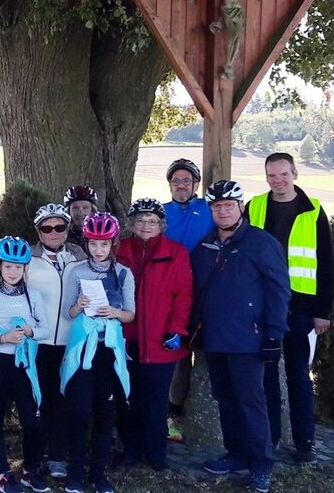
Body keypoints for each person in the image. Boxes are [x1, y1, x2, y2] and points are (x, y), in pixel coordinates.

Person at [189, 180, 289, 493]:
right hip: (215, 337)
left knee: (251, 402)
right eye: (217, 206)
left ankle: (261, 463)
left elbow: (278, 290)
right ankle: (235, 454)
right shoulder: (204, 246)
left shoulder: (261, 243)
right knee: (226, 399)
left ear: (240, 207)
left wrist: (275, 333)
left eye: (228, 205)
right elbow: (196, 292)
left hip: (250, 339)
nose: (222, 211)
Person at [246, 152, 334, 463]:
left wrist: (322, 311)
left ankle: (304, 442)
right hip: (263, 304)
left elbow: (326, 263)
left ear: (295, 173)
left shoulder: (313, 211)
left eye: (283, 174)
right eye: (271, 176)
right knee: (266, 377)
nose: (278, 181)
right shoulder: (254, 206)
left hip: (301, 307)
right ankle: (270, 438)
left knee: (298, 376)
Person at [114, 198, 193, 472]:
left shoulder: (177, 253)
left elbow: (184, 295)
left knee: (156, 399)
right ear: (131, 224)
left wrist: (177, 329)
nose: (146, 225)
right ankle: (130, 449)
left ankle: (156, 452)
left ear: (161, 225)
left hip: (160, 339)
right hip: (125, 337)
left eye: (152, 221)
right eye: (140, 220)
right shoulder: (120, 250)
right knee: (128, 397)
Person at [60, 212, 135, 493]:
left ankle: (99, 474)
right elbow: (67, 313)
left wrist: (115, 312)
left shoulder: (124, 273)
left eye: (104, 244)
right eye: (93, 244)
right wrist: (79, 305)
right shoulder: (77, 271)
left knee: (105, 413)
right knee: (79, 411)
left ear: (113, 244)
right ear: (86, 243)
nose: (99, 250)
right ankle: (76, 472)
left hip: (109, 351)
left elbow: (130, 314)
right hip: (82, 351)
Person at [0, 236, 52, 493]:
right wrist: (4, 338)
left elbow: (46, 329)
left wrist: (30, 332)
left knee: (33, 420)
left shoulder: (34, 295)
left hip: (25, 365)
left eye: (18, 267)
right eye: (8, 266)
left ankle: (30, 470)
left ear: (25, 269)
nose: (12, 271)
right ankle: (2, 472)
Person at [27, 203, 86, 480]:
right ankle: (34, 456)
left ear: (67, 229)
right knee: (38, 401)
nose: (54, 232)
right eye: (47, 228)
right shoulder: (27, 257)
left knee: (63, 400)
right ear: (39, 231)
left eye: (60, 227)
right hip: (37, 342)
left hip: (70, 340)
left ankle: (59, 457)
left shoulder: (79, 256)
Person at [161, 158, 214, 443]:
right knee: (177, 357)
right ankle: (172, 413)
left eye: (186, 180)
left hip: (204, 292)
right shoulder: (162, 213)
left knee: (203, 354)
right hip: (170, 296)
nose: (181, 185)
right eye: (176, 180)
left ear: (195, 184)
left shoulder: (208, 209)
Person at [63, 185, 98, 249]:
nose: (80, 212)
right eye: (75, 208)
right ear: (68, 211)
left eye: (85, 208)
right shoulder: (62, 237)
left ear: (92, 210)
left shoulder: (101, 234)